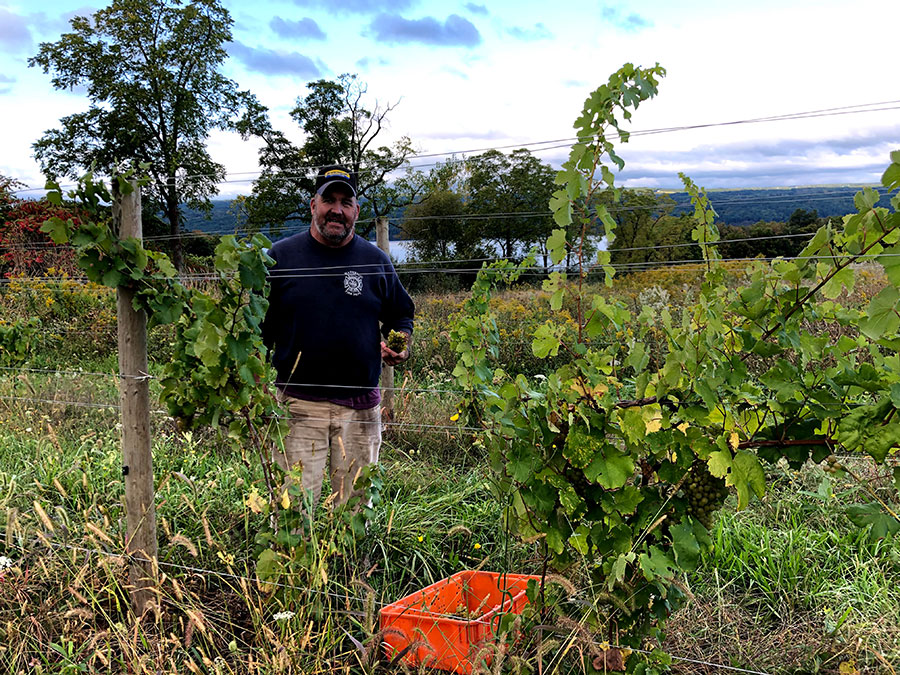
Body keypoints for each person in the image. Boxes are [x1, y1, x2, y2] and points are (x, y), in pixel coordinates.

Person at [261, 164, 414, 508]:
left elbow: (400, 313)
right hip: (299, 406)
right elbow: (260, 328)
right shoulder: (280, 258)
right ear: (313, 205)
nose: (337, 209)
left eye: (346, 202)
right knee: (294, 513)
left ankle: (353, 566)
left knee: (355, 512)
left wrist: (400, 341)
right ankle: (298, 565)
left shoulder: (375, 261)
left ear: (356, 211)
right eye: (329, 199)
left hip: (360, 409)